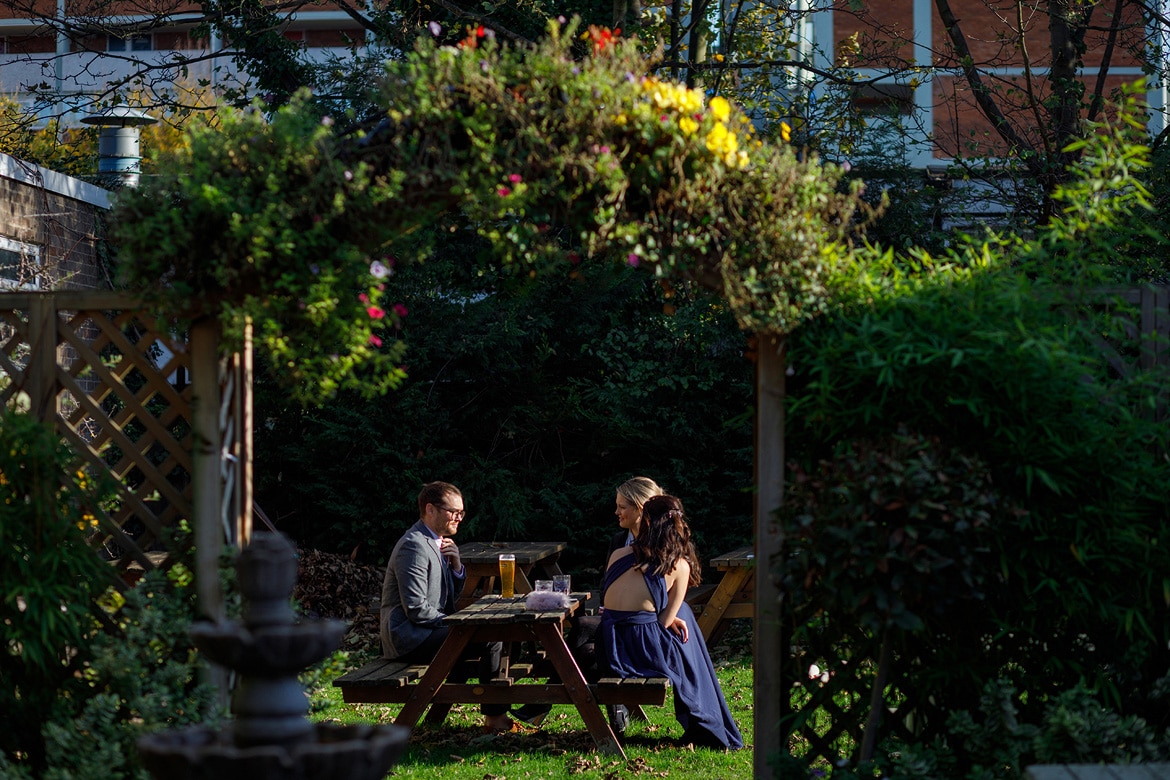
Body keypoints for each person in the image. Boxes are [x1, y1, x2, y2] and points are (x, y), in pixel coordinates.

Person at [597, 494, 744, 749]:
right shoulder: (679, 566)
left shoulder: (618, 554)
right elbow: (664, 622)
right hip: (639, 652)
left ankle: (705, 720)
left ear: (646, 522)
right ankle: (707, 721)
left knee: (682, 621)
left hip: (608, 645)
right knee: (685, 629)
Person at [380, 481, 522, 734]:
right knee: (490, 637)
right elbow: (415, 608)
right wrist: (457, 624)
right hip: (409, 638)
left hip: (426, 632)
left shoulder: (436, 542)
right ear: (430, 509)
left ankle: (495, 714)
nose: (459, 518)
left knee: (500, 635)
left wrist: (456, 567)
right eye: (453, 511)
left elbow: (444, 598)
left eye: (461, 513)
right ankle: (495, 719)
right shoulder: (414, 545)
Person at [567, 476, 665, 733]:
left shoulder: (663, 543)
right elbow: (607, 582)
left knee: (585, 635)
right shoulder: (617, 541)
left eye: (622, 506)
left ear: (640, 507)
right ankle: (615, 703)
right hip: (614, 617)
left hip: (643, 626)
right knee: (582, 628)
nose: (616, 511)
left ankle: (547, 703)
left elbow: (669, 587)